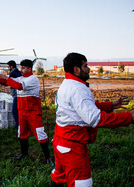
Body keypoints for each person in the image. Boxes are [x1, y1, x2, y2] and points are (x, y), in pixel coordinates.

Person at [50, 53, 134, 187]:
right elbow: (96, 119)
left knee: (59, 176)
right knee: (82, 182)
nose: (88, 69)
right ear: (76, 69)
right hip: (73, 145)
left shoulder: (67, 83)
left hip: (61, 139)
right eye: (86, 65)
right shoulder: (78, 89)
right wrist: (129, 117)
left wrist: (110, 105)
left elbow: (83, 107)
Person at [0, 59, 53, 165]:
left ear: (29, 69)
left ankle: (48, 158)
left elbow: (19, 86)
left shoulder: (33, 79)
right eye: (20, 67)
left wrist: (7, 78)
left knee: (40, 133)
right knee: (22, 133)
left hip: (33, 112)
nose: (21, 70)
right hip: (22, 111)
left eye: (23, 68)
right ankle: (24, 154)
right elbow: (7, 82)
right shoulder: (20, 78)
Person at [7, 60, 22, 129]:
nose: (8, 68)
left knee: (14, 111)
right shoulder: (18, 72)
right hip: (19, 94)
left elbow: (8, 82)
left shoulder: (13, 73)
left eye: (8, 67)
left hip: (16, 95)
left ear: (11, 66)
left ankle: (18, 126)